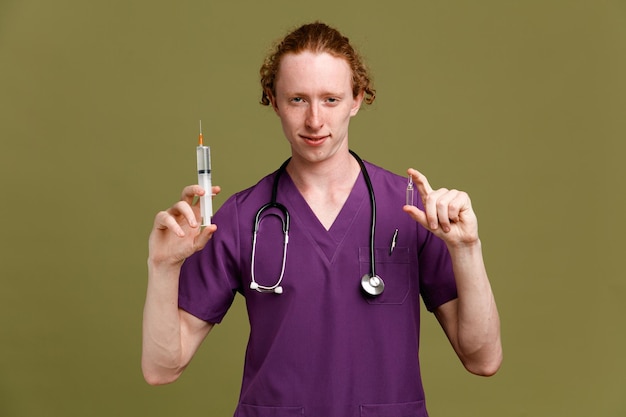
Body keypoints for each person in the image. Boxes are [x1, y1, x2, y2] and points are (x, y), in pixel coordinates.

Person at [142, 22, 502, 417]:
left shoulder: (413, 210)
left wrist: (468, 249)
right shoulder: (243, 218)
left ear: (357, 99)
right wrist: (163, 266)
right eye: (298, 99)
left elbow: (482, 359)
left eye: (330, 99)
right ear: (273, 100)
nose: (315, 120)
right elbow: (161, 367)